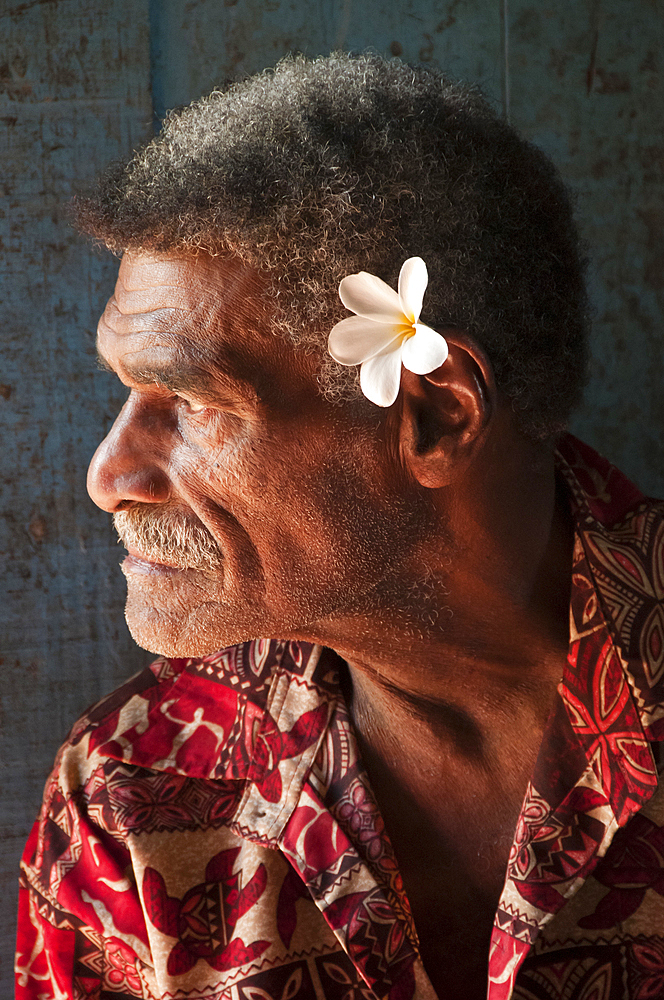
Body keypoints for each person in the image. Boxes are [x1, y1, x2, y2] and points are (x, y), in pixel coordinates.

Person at [15, 52, 664, 1000]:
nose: (108, 476)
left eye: (193, 401)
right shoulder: (128, 792)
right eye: (127, 392)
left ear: (434, 416)